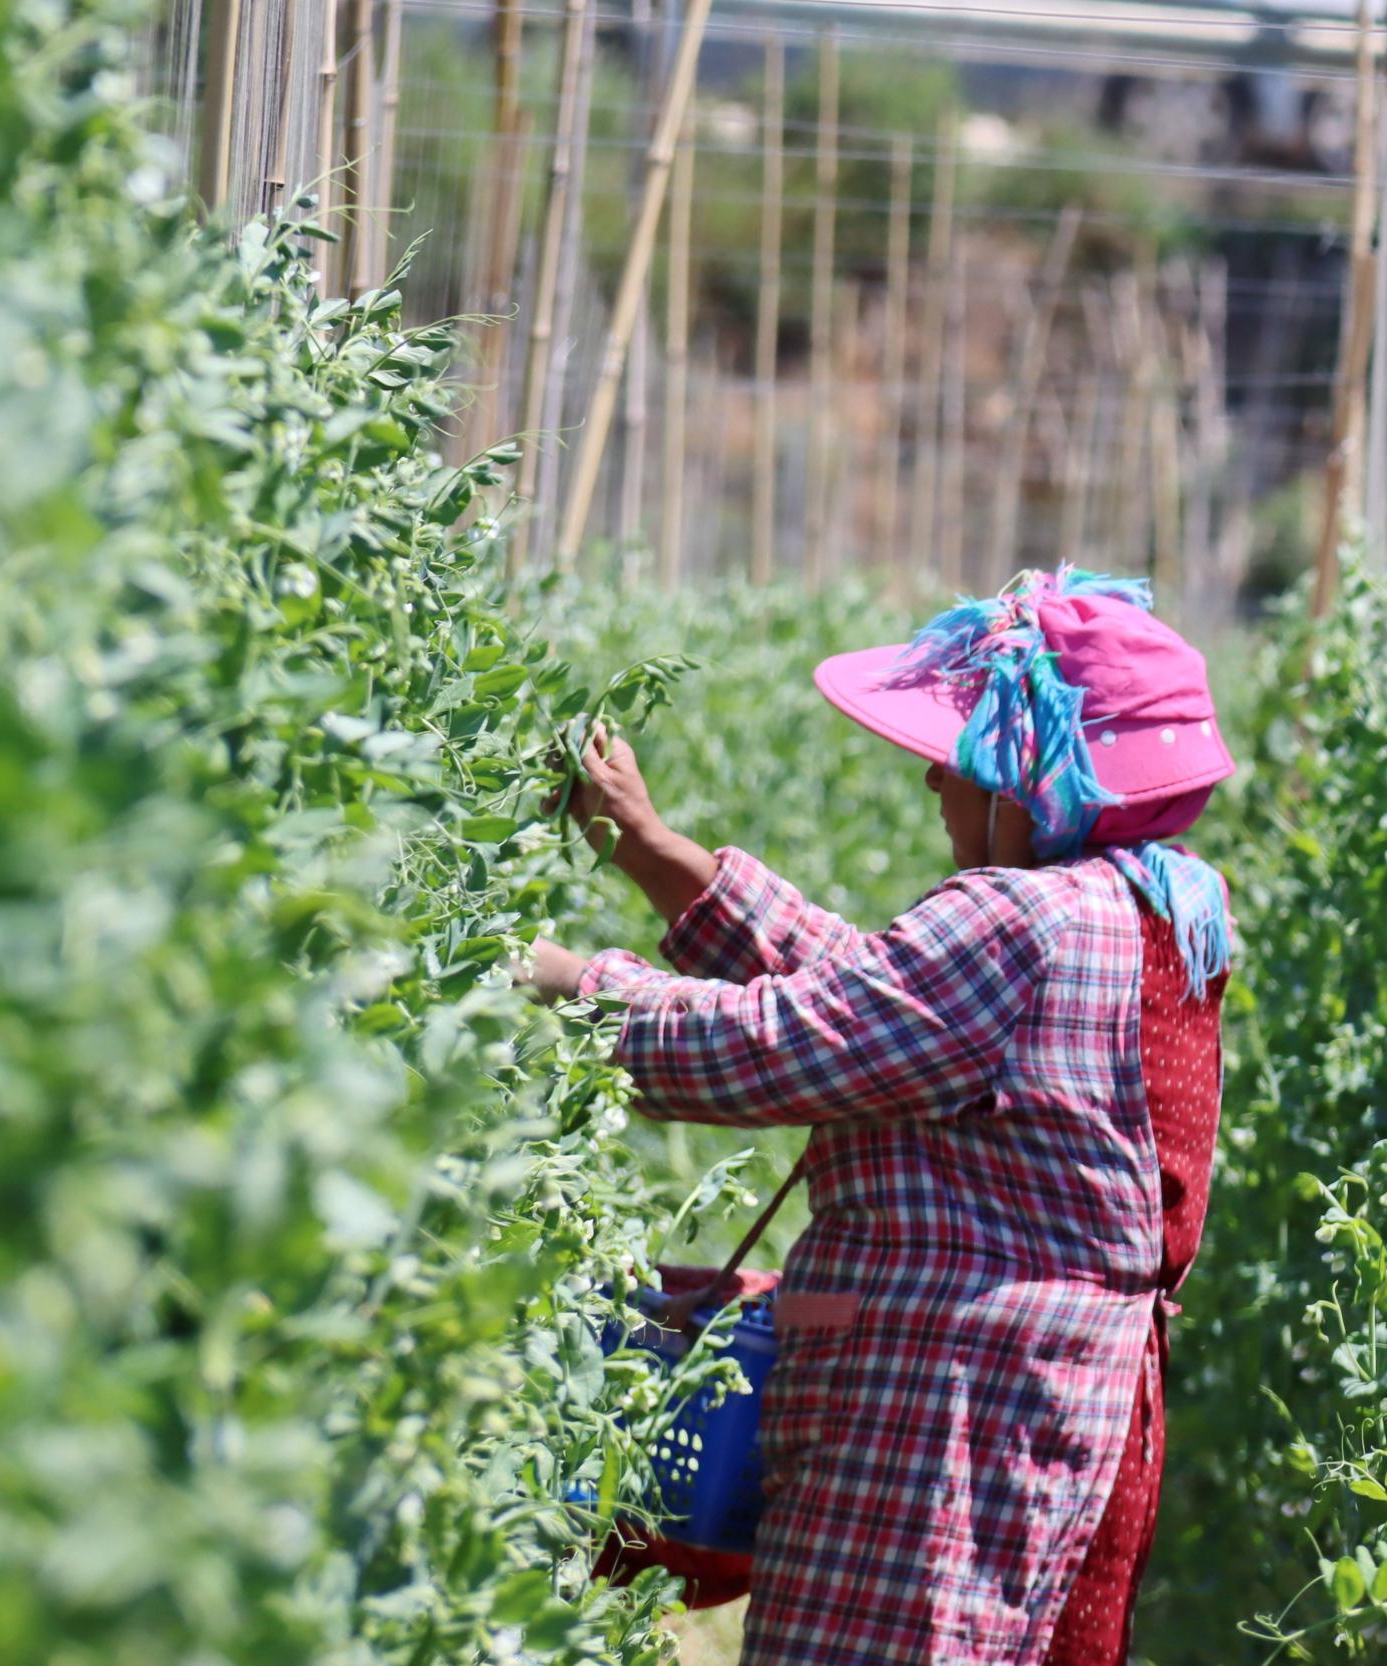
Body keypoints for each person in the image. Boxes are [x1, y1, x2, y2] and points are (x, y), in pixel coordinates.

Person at [520, 569, 1233, 1666]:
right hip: (1051, 1418)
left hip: (953, 1439)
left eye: (958, 765)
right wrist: (651, 848)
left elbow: (786, 1043)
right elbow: (881, 1004)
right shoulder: (1143, 906)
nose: (933, 787)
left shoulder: (1024, 922)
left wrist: (560, 984)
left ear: (1030, 785)